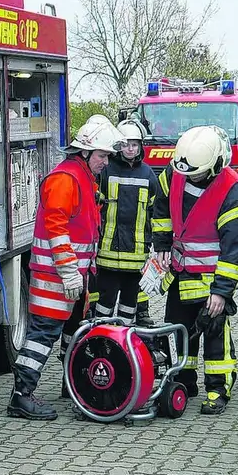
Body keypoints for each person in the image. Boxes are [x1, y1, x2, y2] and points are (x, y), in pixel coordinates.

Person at [7, 115, 125, 420]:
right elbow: (57, 229)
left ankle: (73, 386)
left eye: (108, 156)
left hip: (72, 279)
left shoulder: (82, 177)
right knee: (42, 336)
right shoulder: (65, 179)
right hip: (54, 279)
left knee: (73, 333)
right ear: (84, 152)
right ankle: (21, 397)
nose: (105, 162)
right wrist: (70, 272)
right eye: (102, 155)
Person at [145, 125, 238, 415]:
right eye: (186, 172)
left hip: (210, 278)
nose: (190, 177)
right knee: (179, 331)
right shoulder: (175, 172)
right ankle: (183, 380)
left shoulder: (232, 190)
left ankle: (218, 389)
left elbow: (234, 248)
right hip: (180, 273)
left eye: (197, 173)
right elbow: (161, 207)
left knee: (215, 336)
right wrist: (162, 243)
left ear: (216, 164)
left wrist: (221, 292)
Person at [92, 118, 160, 325]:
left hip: (137, 254)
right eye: (125, 144)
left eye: (134, 145)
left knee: (130, 306)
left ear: (140, 147)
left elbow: (155, 213)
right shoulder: (106, 170)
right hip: (107, 254)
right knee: (104, 304)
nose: (130, 149)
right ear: (117, 146)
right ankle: (101, 341)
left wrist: (156, 244)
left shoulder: (148, 174)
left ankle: (124, 347)